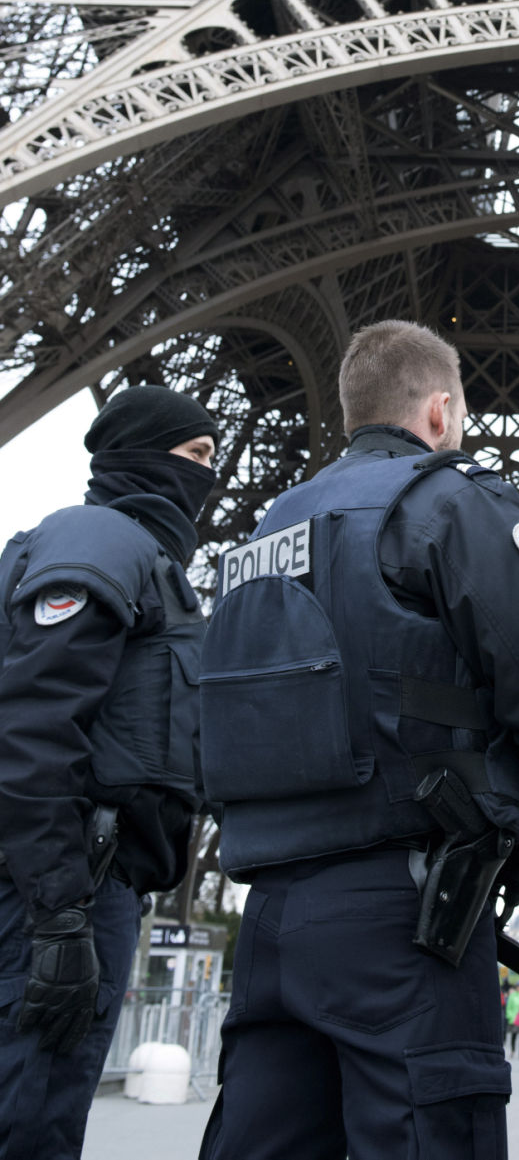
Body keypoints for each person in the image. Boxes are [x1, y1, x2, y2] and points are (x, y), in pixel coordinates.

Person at [198, 320, 519, 1160]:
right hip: (408, 913)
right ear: (441, 411)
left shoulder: (266, 532)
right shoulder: (449, 501)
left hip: (270, 916)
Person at [0, 383, 218, 1160]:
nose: (210, 476)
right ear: (141, 453)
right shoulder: (101, 543)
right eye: (196, 455)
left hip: (76, 878)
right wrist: (58, 910)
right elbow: (31, 726)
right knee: (34, 1110)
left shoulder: (130, 555)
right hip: (60, 885)